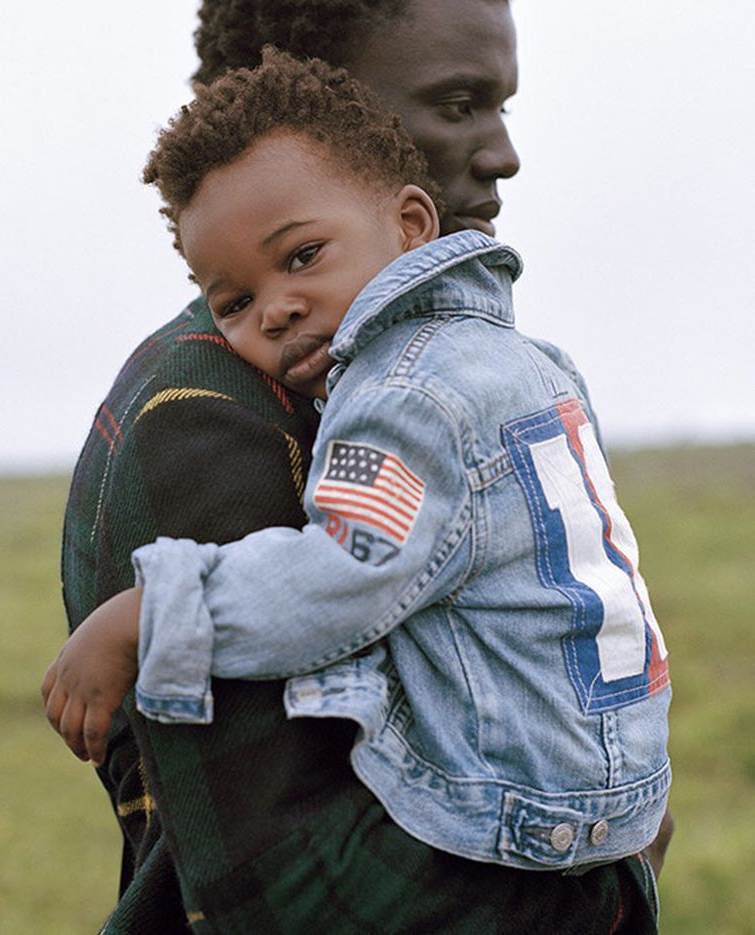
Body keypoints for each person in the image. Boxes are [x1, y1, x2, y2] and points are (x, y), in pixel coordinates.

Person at [56, 0, 671, 930]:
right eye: (460, 103)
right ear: (313, 103)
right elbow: (288, 888)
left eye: (502, 105)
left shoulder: (447, 363)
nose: (504, 152)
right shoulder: (206, 414)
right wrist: (610, 899)